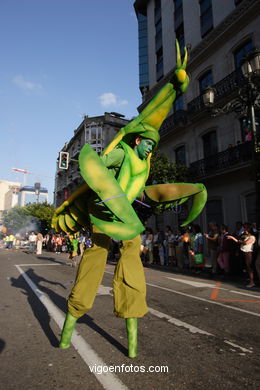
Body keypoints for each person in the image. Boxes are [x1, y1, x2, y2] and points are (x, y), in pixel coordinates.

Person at [54, 41, 207, 358]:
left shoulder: (145, 162)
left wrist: (177, 88)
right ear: (136, 139)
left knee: (132, 277)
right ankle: (67, 332)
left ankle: (133, 344)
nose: (151, 148)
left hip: (129, 224)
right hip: (105, 218)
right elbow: (95, 166)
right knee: (90, 272)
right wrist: (173, 89)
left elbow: (155, 119)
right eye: (147, 143)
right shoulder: (122, 151)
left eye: (153, 145)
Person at [227, 223, 256, 288]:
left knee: (249, 267)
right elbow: (239, 241)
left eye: (247, 228)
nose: (245, 230)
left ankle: (252, 282)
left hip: (249, 253)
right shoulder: (244, 235)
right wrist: (232, 238)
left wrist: (236, 239)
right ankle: (249, 280)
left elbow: (245, 243)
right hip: (243, 253)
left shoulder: (252, 236)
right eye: (244, 228)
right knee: (246, 267)